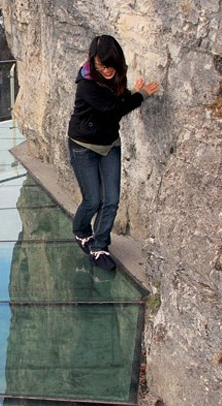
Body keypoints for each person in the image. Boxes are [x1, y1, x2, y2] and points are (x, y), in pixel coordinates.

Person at [67, 35, 160, 270]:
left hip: (110, 144)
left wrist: (129, 93)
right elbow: (112, 108)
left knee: (111, 200)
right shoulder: (86, 84)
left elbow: (117, 98)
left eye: (110, 65)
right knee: (93, 200)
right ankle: (80, 230)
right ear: (94, 62)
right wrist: (140, 95)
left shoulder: (117, 73)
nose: (106, 70)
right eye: (101, 66)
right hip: (83, 145)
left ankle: (99, 247)